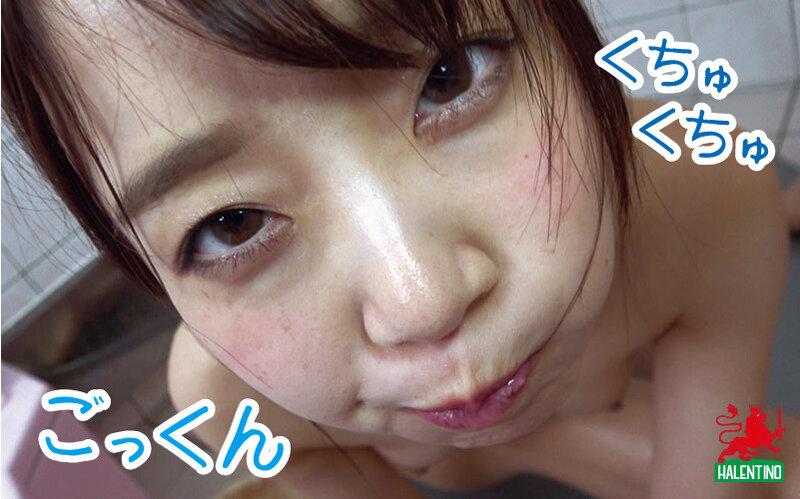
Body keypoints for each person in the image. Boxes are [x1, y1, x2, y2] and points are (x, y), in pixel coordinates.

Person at [2, 1, 795, 497]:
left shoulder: (714, 194)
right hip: (437, 465)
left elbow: (728, 457)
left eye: (450, 77)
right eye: (232, 222)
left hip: (609, 400)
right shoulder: (223, 394)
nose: (423, 301)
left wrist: (740, 470)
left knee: (765, 464)